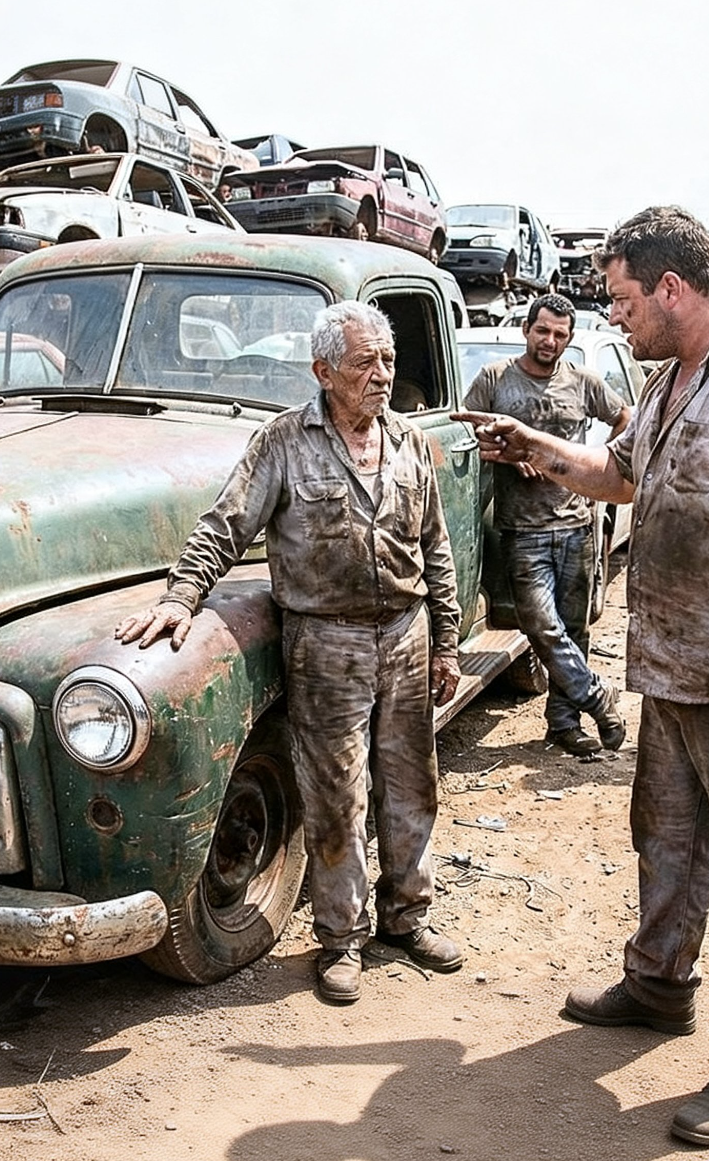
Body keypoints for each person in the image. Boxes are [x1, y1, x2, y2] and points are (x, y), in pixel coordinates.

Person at [455, 205, 709, 1148]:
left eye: (625, 300)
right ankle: (658, 983)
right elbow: (621, 475)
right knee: (665, 839)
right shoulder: (670, 379)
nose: (614, 317)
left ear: (671, 288)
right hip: (671, 668)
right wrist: (533, 447)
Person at [116, 300, 464, 1004]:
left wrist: (446, 639)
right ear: (322, 370)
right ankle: (342, 938)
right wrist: (179, 599)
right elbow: (224, 525)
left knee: (411, 786)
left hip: (405, 632)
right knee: (334, 798)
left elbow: (435, 548)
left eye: (388, 360)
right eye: (365, 362)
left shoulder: (406, 443)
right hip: (324, 642)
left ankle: (408, 917)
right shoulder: (282, 442)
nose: (381, 375)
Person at [464, 293, 630, 757]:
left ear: (569, 339)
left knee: (574, 629)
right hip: (522, 530)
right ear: (526, 330)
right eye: (543, 330)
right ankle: (598, 695)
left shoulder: (583, 383)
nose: (550, 341)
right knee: (541, 627)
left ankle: (563, 723)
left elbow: (624, 420)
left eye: (560, 334)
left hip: (577, 524)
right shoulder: (495, 379)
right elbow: (467, 431)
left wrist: (595, 466)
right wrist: (506, 453)